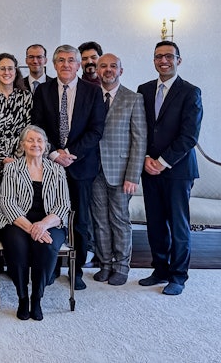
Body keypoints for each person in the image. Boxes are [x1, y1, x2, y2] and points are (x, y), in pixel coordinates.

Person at [31, 44, 105, 290]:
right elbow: (37, 126)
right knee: (49, 217)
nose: (66, 65)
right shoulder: (43, 90)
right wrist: (53, 154)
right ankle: (50, 267)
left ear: (78, 64)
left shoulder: (93, 92)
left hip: (81, 166)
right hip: (49, 166)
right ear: (53, 64)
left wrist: (70, 153)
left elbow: (96, 130)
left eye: (71, 60)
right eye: (60, 60)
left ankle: (77, 271)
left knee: (80, 221)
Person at [136, 40, 203, 296]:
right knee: (154, 223)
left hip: (177, 170)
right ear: (153, 60)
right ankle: (160, 269)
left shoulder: (190, 92)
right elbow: (140, 129)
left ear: (178, 60)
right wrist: (144, 159)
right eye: (158, 56)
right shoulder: (143, 89)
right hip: (148, 168)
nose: (163, 61)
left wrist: (162, 162)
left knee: (178, 225)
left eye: (168, 56)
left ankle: (178, 276)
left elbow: (189, 136)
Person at [0, 125, 71, 321]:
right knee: (17, 247)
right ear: (22, 145)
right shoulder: (12, 168)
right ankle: (22, 297)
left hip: (50, 222)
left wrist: (43, 225)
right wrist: (31, 227)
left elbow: (63, 205)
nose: (35, 144)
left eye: (39, 140)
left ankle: (37, 297)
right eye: (30, 140)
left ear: (46, 145)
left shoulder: (57, 171)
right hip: (17, 221)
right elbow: (7, 203)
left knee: (47, 245)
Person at [92, 53, 146, 286]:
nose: (108, 70)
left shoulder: (133, 99)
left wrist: (133, 175)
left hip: (122, 172)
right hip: (94, 170)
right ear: (97, 70)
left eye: (113, 66)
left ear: (120, 71)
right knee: (100, 220)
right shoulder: (92, 95)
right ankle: (105, 264)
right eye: (103, 66)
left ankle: (122, 266)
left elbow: (139, 139)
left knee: (119, 219)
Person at [0, 53, 33, 196]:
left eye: (10, 68)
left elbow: (28, 129)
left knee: (18, 198)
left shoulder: (26, 97)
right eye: (2, 69)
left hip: (20, 157)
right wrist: (3, 156)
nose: (6, 72)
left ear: (16, 72)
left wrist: (16, 156)